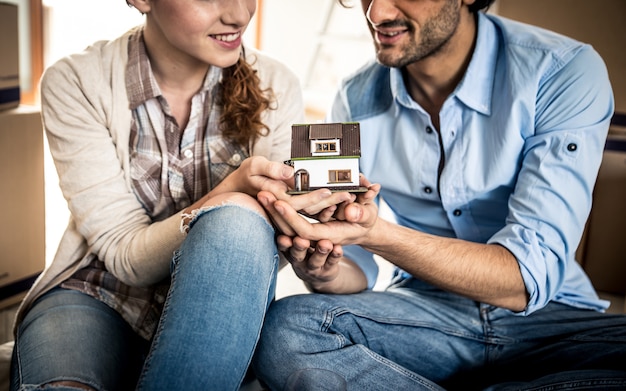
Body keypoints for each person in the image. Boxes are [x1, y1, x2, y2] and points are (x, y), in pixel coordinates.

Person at [252, 0, 626, 389]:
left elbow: (523, 278)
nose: (375, 14)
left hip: (554, 318)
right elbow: (357, 267)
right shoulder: (353, 97)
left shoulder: (563, 71)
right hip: (423, 315)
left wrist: (373, 232)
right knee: (287, 332)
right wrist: (324, 270)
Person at [8, 0, 347, 390]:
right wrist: (228, 192)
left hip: (218, 302)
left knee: (239, 221)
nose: (239, 14)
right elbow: (124, 258)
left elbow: (267, 241)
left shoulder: (276, 82)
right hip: (98, 295)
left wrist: (316, 218)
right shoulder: (77, 81)